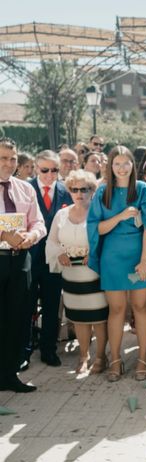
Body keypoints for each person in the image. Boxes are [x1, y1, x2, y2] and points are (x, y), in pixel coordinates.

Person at [87, 146, 146, 382]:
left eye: (125, 163)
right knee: (116, 309)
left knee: (141, 307)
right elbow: (96, 228)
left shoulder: (142, 190)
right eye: (116, 163)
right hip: (112, 257)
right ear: (110, 166)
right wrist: (120, 216)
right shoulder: (102, 193)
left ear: (133, 165)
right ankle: (116, 360)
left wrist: (144, 260)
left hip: (139, 255)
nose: (121, 168)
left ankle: (141, 359)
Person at [45, 170, 108, 374]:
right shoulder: (61, 214)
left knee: (99, 316)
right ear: (69, 190)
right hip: (70, 274)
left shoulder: (99, 212)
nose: (79, 193)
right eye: (74, 189)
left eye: (84, 189)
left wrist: (95, 254)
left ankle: (100, 356)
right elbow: (51, 241)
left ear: (92, 191)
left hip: (94, 273)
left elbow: (108, 241)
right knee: (78, 317)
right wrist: (60, 253)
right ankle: (84, 355)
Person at [0, 137, 46, 392]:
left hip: (20, 262)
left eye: (13, 158)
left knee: (17, 319)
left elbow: (39, 222)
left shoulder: (26, 189)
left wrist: (32, 236)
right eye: (4, 157)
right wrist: (2, 234)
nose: (9, 163)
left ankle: (9, 375)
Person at [23, 150, 73, 369]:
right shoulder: (25, 189)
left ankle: (48, 350)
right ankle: (22, 352)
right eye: (45, 170)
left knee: (52, 307)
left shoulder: (66, 191)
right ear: (36, 168)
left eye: (54, 170)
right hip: (28, 259)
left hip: (54, 260)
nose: (50, 175)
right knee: (25, 307)